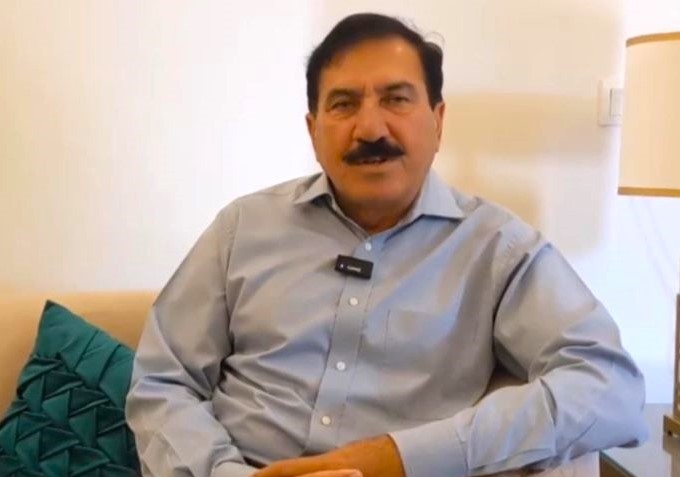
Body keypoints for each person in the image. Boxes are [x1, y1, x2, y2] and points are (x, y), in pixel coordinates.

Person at [126, 12, 647, 477]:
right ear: (313, 130)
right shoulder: (243, 228)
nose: (370, 128)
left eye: (396, 99)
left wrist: (400, 459)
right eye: (343, 104)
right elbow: (162, 382)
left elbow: (611, 389)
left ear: (438, 121)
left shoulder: (498, 250)